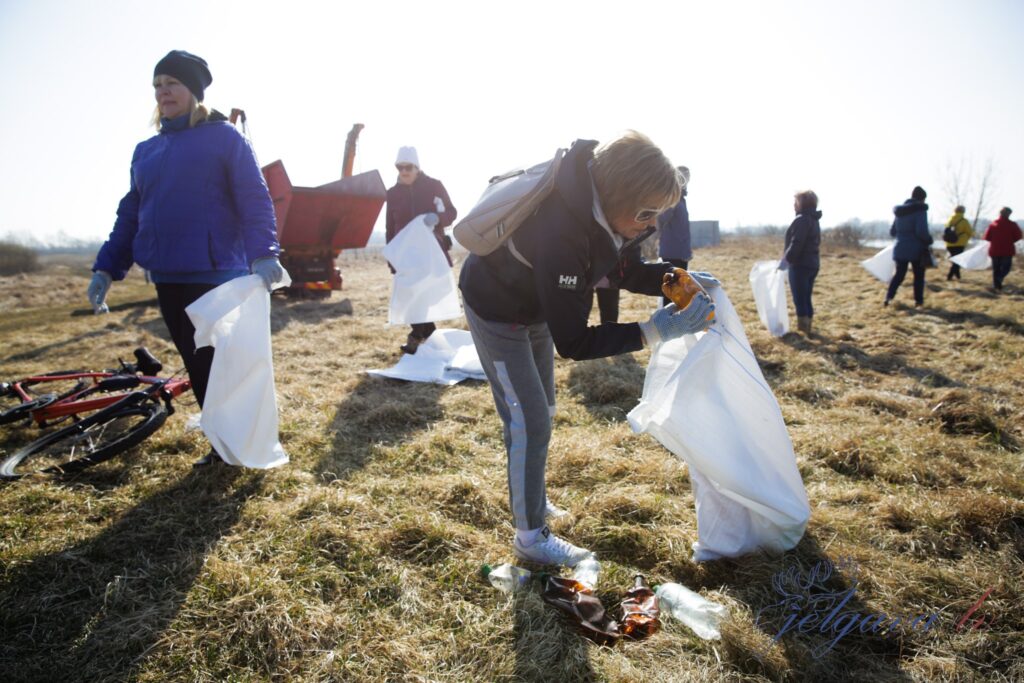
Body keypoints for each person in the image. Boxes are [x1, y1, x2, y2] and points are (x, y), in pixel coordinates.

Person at [458, 131, 718, 567]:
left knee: (544, 406)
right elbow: (574, 342)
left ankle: (532, 500)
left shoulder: (600, 213)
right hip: (497, 308)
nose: (652, 224)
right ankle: (530, 536)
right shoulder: (564, 231)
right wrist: (655, 329)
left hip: (534, 304)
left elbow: (625, 270)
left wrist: (674, 278)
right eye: (647, 212)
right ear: (620, 195)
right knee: (529, 420)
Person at [87, 50, 285, 467]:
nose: (163, 92)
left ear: (193, 91)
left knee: (218, 364)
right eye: (157, 85)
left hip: (216, 272)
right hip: (168, 274)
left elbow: (254, 198)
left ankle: (234, 444)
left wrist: (264, 253)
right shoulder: (146, 150)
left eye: (172, 84)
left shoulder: (224, 138)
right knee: (196, 366)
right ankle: (222, 442)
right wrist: (107, 266)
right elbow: (131, 212)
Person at [384, 146, 458, 354]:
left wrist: (438, 218)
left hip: (431, 253)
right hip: (406, 256)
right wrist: (392, 257)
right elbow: (390, 227)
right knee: (410, 297)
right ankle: (426, 339)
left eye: (408, 167)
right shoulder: (392, 194)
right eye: (400, 167)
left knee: (424, 296)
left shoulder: (434, 186)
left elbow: (451, 212)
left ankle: (420, 338)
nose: (404, 171)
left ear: (417, 167)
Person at [778, 190, 821, 335]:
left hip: (800, 265)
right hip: (812, 264)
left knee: (800, 299)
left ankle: (803, 331)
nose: (793, 205)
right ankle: (808, 328)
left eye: (795, 201)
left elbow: (797, 243)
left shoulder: (801, 220)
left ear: (802, 203)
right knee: (806, 297)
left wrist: (786, 261)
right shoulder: (813, 219)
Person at [885, 185, 932, 308]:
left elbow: (892, 232)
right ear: (922, 199)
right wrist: (928, 240)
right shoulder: (920, 210)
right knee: (918, 276)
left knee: (899, 275)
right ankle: (918, 302)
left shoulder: (900, 212)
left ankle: (888, 298)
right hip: (916, 249)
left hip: (900, 248)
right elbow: (921, 231)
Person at [657, 166, 692, 305]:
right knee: (672, 291)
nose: (686, 180)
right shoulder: (673, 197)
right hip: (672, 252)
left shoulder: (681, 198)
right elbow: (662, 218)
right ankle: (668, 322)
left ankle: (675, 321)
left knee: (679, 291)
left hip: (680, 252)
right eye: (683, 177)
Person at [983, 207, 1022, 292]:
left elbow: (987, 237)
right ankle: (998, 281)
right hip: (1007, 250)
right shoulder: (1012, 225)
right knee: (1006, 268)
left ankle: (996, 286)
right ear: (1009, 214)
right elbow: (1018, 236)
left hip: (994, 250)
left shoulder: (993, 224)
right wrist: (1010, 240)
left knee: (996, 269)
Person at [943, 205, 973, 281]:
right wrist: (967, 238)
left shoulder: (950, 220)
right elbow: (970, 232)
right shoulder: (964, 221)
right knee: (957, 260)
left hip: (949, 244)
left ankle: (958, 276)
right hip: (960, 243)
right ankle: (949, 276)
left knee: (955, 260)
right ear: (963, 211)